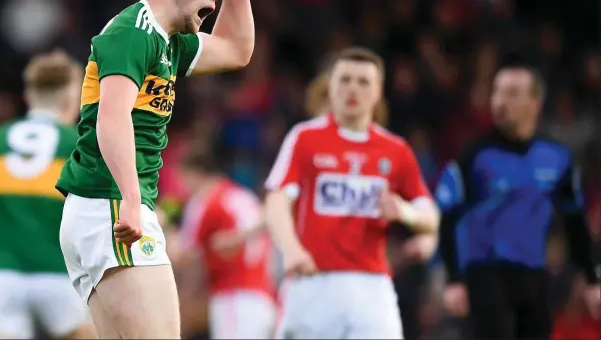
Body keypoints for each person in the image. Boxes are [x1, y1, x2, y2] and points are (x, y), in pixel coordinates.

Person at [56, 0, 254, 339]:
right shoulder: (134, 30)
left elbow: (237, 49)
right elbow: (112, 117)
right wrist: (130, 200)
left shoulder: (169, 42)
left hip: (105, 207)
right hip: (110, 202)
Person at [264, 47, 440, 339]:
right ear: (330, 87)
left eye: (363, 81)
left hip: (372, 286)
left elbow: (430, 216)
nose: (353, 89)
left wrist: (405, 212)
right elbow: (276, 200)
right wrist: (291, 249)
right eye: (344, 80)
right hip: (314, 281)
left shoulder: (395, 150)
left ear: (378, 92)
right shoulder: (305, 138)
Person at [436, 64, 601, 339]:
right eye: (497, 92)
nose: (500, 101)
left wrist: (592, 279)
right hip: (485, 272)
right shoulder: (474, 155)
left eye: (512, 93)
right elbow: (448, 216)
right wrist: (453, 278)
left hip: (534, 275)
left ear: (535, 103)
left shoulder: (556, 157)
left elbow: (574, 221)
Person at [0, 51, 97, 340]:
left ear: (29, 96)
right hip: (60, 274)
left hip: (2, 273)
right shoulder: (78, 143)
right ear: (69, 99)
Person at [168, 149, 276, 339]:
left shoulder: (206, 201)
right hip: (263, 298)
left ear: (193, 174)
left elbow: (182, 256)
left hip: (233, 299)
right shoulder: (242, 195)